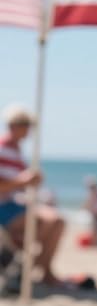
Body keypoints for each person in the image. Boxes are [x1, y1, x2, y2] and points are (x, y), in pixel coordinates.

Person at [0, 104, 64, 286]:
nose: (29, 130)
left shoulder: (17, 152)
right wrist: (23, 181)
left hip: (13, 204)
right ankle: (27, 267)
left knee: (58, 222)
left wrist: (32, 182)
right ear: (14, 126)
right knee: (52, 221)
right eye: (26, 125)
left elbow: (19, 185)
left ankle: (39, 268)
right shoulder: (2, 148)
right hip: (3, 207)